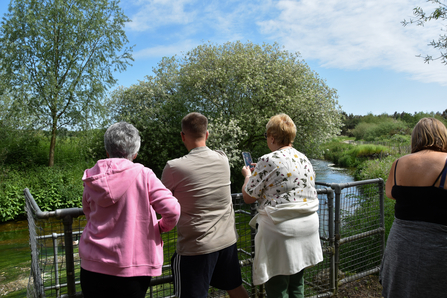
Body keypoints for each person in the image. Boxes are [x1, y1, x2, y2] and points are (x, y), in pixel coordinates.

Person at [79, 122, 181, 298]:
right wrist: (161, 226)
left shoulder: (91, 177)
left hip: (92, 266)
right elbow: (173, 211)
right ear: (135, 153)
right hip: (132, 270)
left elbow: (89, 214)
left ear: (106, 151)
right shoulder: (145, 175)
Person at [161, 112, 249, 298]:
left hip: (196, 247)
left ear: (182, 136)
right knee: (235, 288)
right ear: (207, 134)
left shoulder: (174, 167)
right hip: (227, 241)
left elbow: (161, 204)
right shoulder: (223, 159)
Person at [241, 113, 323, 298]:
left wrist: (248, 175)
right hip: (307, 227)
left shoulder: (267, 160)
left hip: (281, 231)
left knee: (277, 287)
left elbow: (248, 197)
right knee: (296, 284)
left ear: (272, 137)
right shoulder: (304, 159)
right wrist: (260, 173)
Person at [380, 117, 447, 298]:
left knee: (399, 289)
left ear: (415, 138)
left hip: (400, 243)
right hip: (438, 245)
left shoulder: (399, 163)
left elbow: (390, 193)